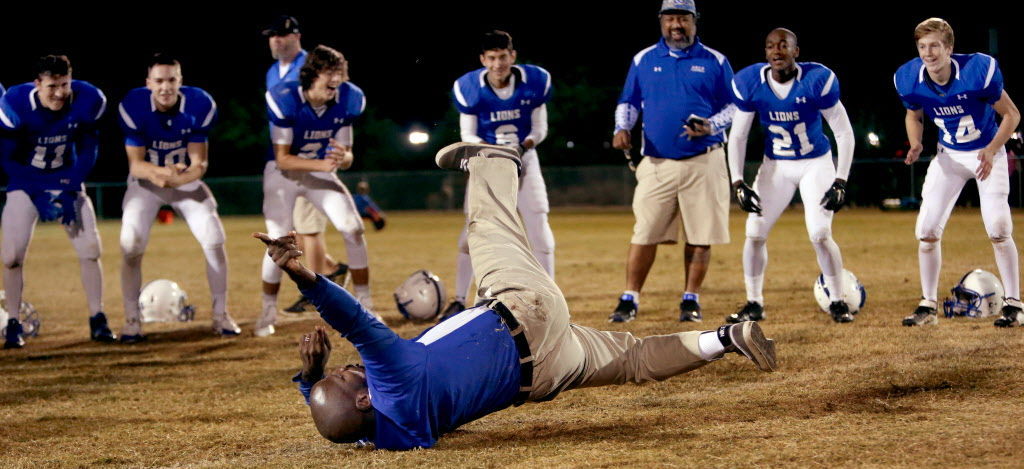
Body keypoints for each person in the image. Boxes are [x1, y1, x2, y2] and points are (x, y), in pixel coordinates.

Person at [256, 141, 776, 450]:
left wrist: (312, 380)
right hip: (521, 310)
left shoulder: (400, 434)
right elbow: (355, 322)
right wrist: (301, 274)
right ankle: (496, 161)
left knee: (635, 358)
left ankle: (725, 338)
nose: (347, 369)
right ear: (367, 397)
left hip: (544, 376)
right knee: (486, 228)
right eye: (346, 378)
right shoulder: (393, 382)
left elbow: (340, 423)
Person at [610, 0, 736, 323]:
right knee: (645, 232)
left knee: (700, 234)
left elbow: (734, 107)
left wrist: (710, 126)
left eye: (683, 18)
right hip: (656, 162)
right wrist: (622, 126)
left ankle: (690, 299)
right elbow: (629, 101)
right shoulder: (643, 59)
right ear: (661, 22)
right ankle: (630, 298)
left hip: (704, 160)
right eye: (670, 19)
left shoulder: (715, 61)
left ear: (695, 21)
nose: (676, 25)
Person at [894, 18, 1022, 327]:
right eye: (922, 47)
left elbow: (1012, 114)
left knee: (998, 228)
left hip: (985, 154)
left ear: (949, 48)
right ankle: (927, 305)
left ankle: (1014, 304)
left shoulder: (977, 71)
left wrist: (992, 149)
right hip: (948, 157)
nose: (928, 53)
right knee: (925, 231)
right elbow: (914, 115)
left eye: (935, 46)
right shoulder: (909, 77)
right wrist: (915, 143)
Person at [726, 28, 856, 323]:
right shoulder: (751, 83)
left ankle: (838, 300)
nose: (777, 51)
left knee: (820, 234)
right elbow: (738, 137)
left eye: (784, 46)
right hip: (777, 166)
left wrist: (841, 180)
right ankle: (754, 302)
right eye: (771, 46)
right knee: (754, 233)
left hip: (815, 163)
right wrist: (737, 182)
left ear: (796, 51)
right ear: (765, 52)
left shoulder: (815, 80)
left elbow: (843, 132)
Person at [116, 54, 241, 342]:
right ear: (148, 83)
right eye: (159, 81)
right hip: (147, 182)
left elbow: (200, 164)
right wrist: (160, 173)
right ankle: (132, 320)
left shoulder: (198, 104)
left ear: (180, 81)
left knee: (214, 237)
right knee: (130, 243)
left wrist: (177, 178)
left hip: (184, 180)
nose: (165, 87)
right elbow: (136, 165)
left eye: (172, 79)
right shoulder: (135, 106)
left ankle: (221, 314)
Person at [258, 44, 376, 337]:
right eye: (329, 78)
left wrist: (343, 159)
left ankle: (366, 304)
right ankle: (267, 311)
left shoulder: (348, 98)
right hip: (282, 174)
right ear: (312, 76)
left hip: (318, 172)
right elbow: (283, 157)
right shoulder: (285, 98)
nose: (335, 86)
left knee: (352, 227)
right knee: (279, 240)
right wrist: (324, 165)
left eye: (339, 77)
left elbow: (346, 153)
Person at [0, 55, 114, 348]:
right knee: (12, 256)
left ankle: (97, 318)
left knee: (91, 249)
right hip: (26, 183)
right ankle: (13, 322)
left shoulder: (88, 98)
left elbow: (89, 148)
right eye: (52, 86)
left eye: (65, 84)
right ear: (37, 84)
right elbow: (6, 159)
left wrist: (70, 187)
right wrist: (37, 194)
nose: (60, 93)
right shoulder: (16, 102)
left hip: (65, 180)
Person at [442, 30, 555, 319]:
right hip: (488, 165)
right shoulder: (469, 87)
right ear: (483, 59)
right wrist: (497, 154)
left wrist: (520, 148)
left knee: (538, 224)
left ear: (512, 56)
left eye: (502, 56)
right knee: (473, 231)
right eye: (491, 58)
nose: (497, 63)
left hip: (525, 161)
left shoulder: (534, 81)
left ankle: (550, 295)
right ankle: (459, 298)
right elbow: (468, 134)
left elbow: (539, 129)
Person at [261, 15, 350, 315]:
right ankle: (333, 270)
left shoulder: (309, 67)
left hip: (312, 159)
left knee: (308, 230)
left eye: (281, 35)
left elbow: (331, 106)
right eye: (271, 35)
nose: (275, 40)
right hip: (289, 161)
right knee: (302, 228)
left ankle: (318, 289)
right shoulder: (274, 70)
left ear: (296, 36)